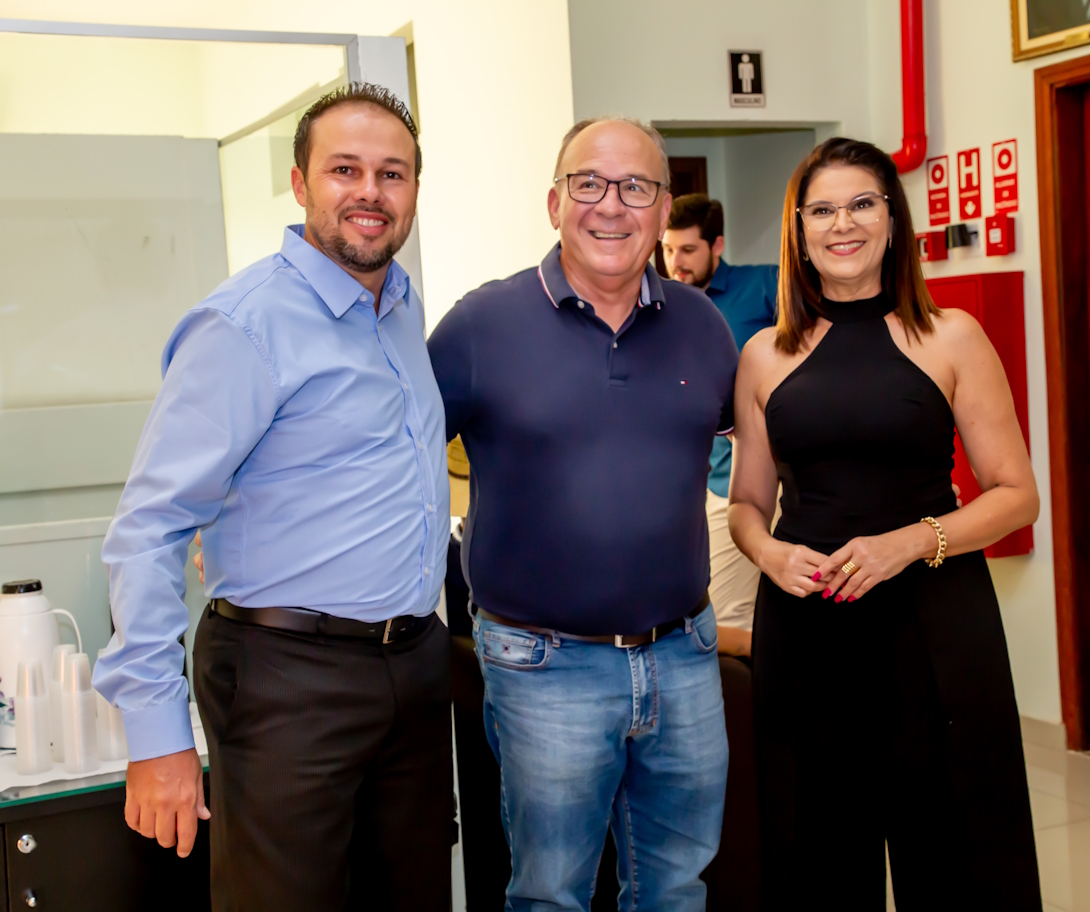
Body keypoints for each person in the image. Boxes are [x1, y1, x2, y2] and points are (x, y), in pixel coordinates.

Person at [94, 83, 453, 912]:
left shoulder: (399, 310)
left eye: (392, 173)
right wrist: (157, 737)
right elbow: (148, 530)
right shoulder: (243, 326)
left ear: (413, 190)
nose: (370, 192)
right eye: (345, 169)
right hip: (289, 679)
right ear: (299, 184)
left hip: (411, 667)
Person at [427, 117, 737, 911]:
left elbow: (763, 438)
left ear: (663, 211)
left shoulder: (703, 326)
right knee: (552, 896)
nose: (611, 205)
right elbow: (392, 456)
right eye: (589, 183)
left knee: (677, 890)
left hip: (685, 654)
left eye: (636, 187)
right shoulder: (481, 327)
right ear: (554, 203)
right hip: (544, 665)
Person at [728, 137, 1042, 909]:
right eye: (823, 210)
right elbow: (745, 505)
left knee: (958, 846)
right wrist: (768, 554)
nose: (844, 225)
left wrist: (911, 542)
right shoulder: (763, 355)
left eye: (862, 204)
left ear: (893, 220)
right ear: (799, 230)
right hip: (808, 627)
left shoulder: (952, 336)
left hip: (934, 620)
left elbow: (1016, 495)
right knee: (817, 853)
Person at [662, 193, 779, 657]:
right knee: (725, 620)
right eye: (668, 249)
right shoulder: (660, 304)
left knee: (766, 613)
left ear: (717, 245)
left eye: (688, 250)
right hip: (710, 487)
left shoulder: (766, 285)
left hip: (780, 482)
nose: (676, 262)